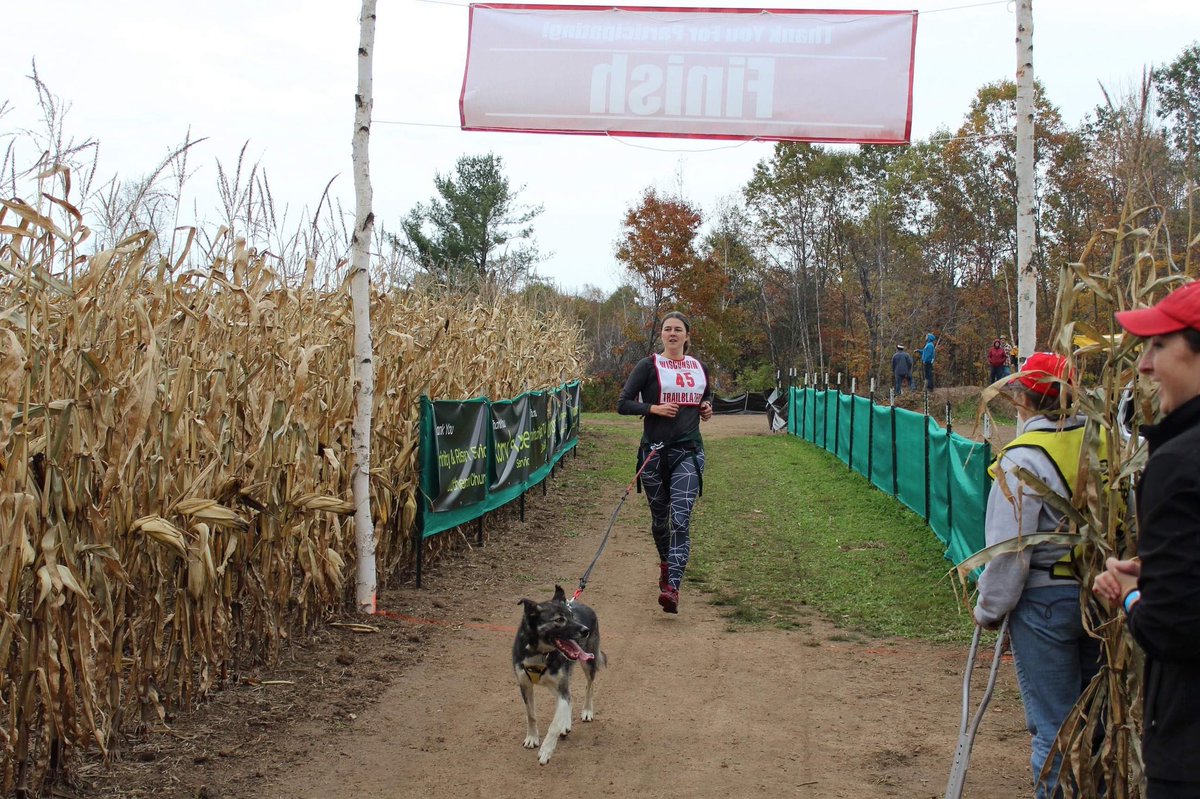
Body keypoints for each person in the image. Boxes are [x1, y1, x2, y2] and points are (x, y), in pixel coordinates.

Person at [973, 351, 1101, 798]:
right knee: (1096, 720)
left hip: (1045, 603)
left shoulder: (1024, 459)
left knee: (1054, 725)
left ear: (1023, 397)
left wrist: (989, 608)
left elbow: (1009, 550)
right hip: (1104, 596)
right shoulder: (1106, 443)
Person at [1092, 281, 1200, 799]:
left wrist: (1132, 593)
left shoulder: (1179, 463)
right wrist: (1162, 569)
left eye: (1160, 345)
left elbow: (1169, 628)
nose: (1144, 366)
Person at [617, 311, 714, 614]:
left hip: (688, 451)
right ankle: (665, 565)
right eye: (667, 329)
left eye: (678, 330)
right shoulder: (648, 366)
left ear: (688, 335)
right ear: (661, 335)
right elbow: (622, 404)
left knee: (680, 518)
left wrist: (707, 409)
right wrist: (653, 408)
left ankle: (672, 586)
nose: (672, 334)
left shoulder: (699, 367)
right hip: (654, 453)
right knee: (661, 521)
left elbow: (705, 399)